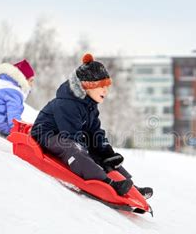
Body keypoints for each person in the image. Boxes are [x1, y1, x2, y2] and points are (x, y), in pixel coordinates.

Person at [30, 53, 153, 198]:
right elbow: (72, 136)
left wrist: (107, 152)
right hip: (47, 134)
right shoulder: (67, 104)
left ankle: (131, 188)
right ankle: (107, 182)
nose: (105, 91)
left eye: (107, 86)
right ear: (88, 86)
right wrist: (90, 154)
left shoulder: (90, 105)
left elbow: (95, 132)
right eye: (101, 86)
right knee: (73, 147)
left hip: (68, 134)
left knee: (101, 152)